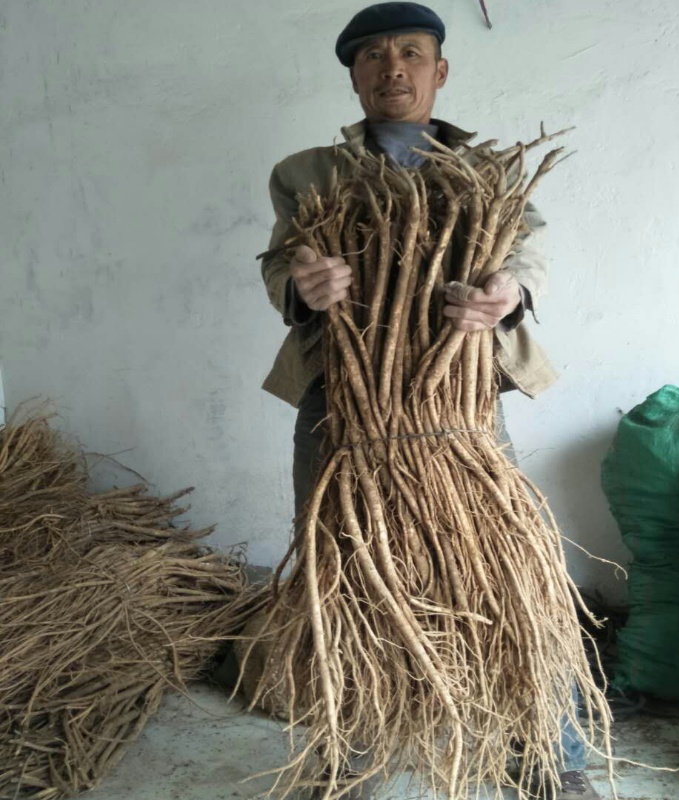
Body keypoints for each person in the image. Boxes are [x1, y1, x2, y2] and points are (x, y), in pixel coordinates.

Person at [258, 4, 600, 799]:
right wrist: (302, 286)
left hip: (460, 401)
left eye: (412, 53)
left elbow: (526, 253)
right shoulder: (307, 172)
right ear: (354, 76)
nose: (393, 68)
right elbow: (279, 262)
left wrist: (508, 290)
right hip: (343, 401)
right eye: (373, 56)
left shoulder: (490, 171)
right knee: (336, 572)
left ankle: (552, 757)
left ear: (440, 72)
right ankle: (344, 760)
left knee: (511, 575)